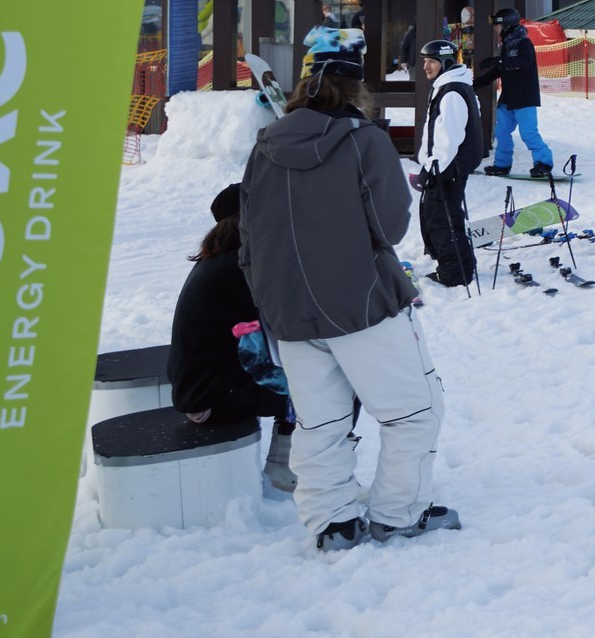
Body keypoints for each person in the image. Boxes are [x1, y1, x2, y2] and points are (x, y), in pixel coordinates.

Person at [237, 44, 452, 551]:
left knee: (321, 422)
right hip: (359, 302)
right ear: (357, 90)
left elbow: (247, 232)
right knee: (414, 411)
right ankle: (398, 514)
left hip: (287, 308)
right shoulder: (365, 141)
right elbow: (390, 225)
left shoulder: (264, 143)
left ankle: (331, 522)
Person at [170, 183, 296, 494]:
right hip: (209, 398)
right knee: (321, 385)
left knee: (309, 374)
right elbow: (286, 320)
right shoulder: (234, 269)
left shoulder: (222, 261)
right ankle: (284, 466)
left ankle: (288, 462)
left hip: (204, 387)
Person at [412, 37, 481, 288]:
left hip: (447, 168)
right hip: (447, 167)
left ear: (446, 62)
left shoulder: (452, 92)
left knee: (442, 220)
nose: (426, 67)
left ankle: (454, 273)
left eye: (432, 61)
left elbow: (449, 137)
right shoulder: (452, 86)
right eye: (425, 62)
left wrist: (433, 169)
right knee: (445, 216)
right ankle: (461, 265)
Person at [479, 8, 552, 179]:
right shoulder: (506, 45)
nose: (496, 29)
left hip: (524, 97)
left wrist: (498, 60)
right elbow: (501, 70)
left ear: (506, 25)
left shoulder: (524, 43)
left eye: (497, 25)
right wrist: (477, 83)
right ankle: (502, 165)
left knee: (528, 133)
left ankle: (544, 163)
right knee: (502, 132)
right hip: (508, 98)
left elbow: (522, 63)